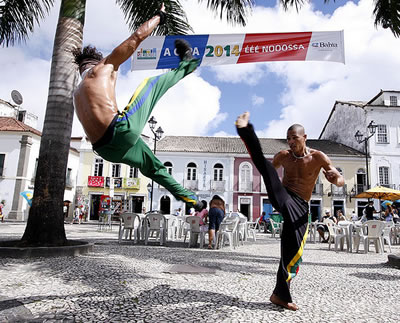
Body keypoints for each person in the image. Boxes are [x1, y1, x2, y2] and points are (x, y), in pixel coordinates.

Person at [72, 4, 202, 211]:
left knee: (152, 166)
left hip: (106, 152)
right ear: (96, 61)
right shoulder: (102, 67)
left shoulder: (76, 94)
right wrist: (159, 16)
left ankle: (189, 198)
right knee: (150, 85)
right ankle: (188, 65)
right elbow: (136, 38)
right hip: (121, 132)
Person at [235, 111, 344, 311]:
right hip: (284, 197)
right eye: (288, 139)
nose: (291, 142)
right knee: (265, 166)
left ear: (304, 137)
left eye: (294, 138)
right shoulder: (284, 156)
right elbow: (269, 170)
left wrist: (334, 179)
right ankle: (246, 130)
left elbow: (339, 177)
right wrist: (269, 175)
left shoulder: (318, 156)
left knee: (292, 252)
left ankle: (280, 295)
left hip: (301, 206)